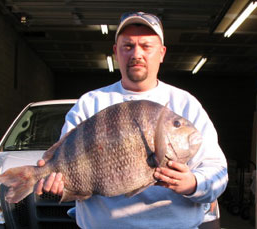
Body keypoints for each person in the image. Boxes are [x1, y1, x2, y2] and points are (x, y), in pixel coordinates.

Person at [36, 12, 228, 229]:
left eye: (146, 46)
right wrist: (58, 183)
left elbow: (218, 173)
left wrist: (193, 184)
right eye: (128, 46)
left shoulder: (185, 104)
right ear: (116, 52)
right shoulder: (89, 103)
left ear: (162, 53)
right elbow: (70, 167)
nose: (137, 53)